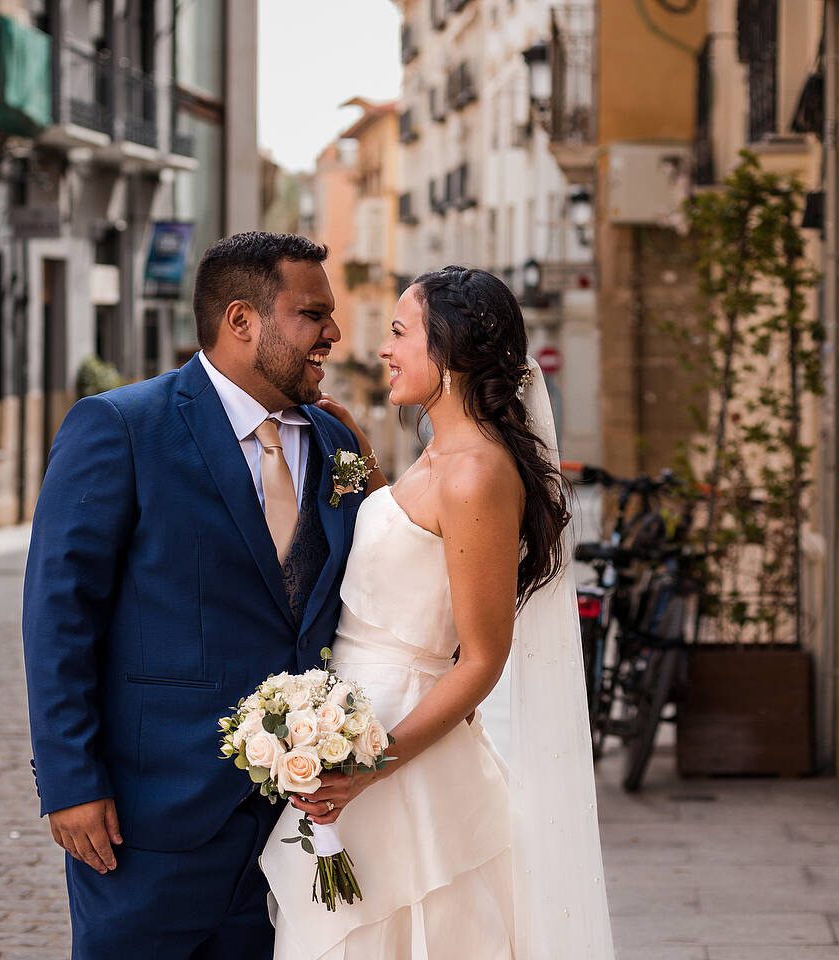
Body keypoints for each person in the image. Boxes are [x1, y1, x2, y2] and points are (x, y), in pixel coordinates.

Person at [22, 232, 375, 959]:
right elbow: (59, 618)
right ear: (241, 320)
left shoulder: (338, 442)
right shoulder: (122, 427)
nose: (333, 335)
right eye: (312, 315)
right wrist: (68, 781)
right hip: (150, 819)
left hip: (296, 826)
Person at [260, 266, 616, 959]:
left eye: (399, 333)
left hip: (402, 753)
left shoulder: (476, 470)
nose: (384, 350)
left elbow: (482, 658)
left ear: (446, 349)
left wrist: (370, 767)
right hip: (361, 724)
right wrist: (362, 458)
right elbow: (414, 549)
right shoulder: (440, 454)